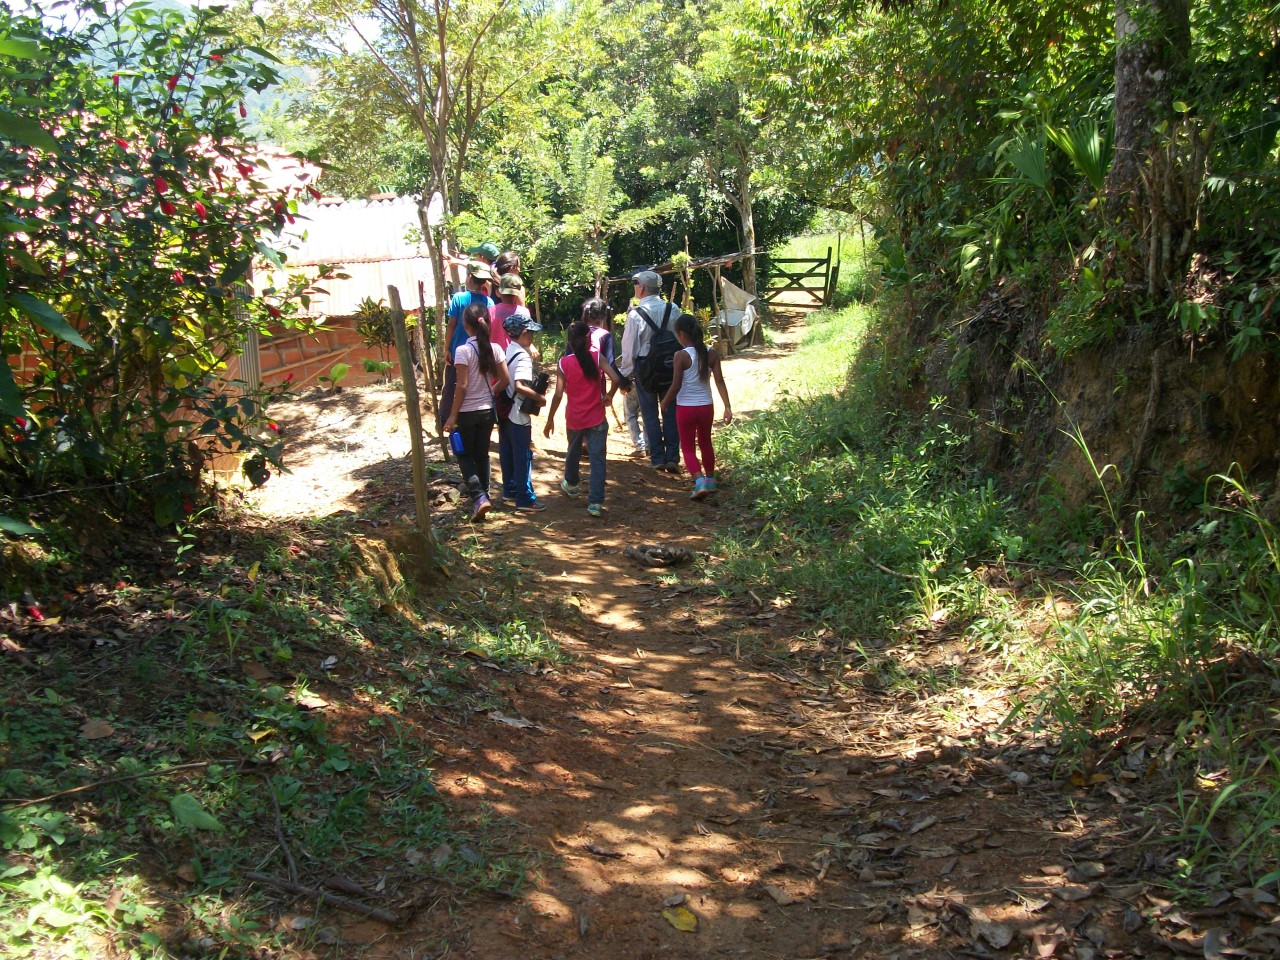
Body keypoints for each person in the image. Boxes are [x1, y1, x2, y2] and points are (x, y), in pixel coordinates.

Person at [543, 316, 627, 517]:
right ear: (589, 339)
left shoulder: (564, 363)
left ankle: (571, 484)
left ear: (570, 342)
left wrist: (550, 419)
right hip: (597, 417)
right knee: (598, 459)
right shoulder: (597, 357)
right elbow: (616, 378)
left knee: (573, 451)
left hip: (574, 418)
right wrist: (609, 396)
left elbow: (557, 394)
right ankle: (595, 503)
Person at [442, 302, 509, 521]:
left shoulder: (463, 351)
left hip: (467, 412)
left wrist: (452, 415)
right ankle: (485, 494)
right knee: (482, 454)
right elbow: (505, 379)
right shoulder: (495, 348)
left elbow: (461, 386)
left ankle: (479, 497)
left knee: (464, 456)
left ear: (465, 324)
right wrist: (491, 391)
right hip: (488, 411)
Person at [661, 314, 733, 499]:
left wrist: (665, 402)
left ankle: (699, 481)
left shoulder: (681, 356)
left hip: (685, 407)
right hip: (706, 406)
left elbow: (675, 385)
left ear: (682, 335)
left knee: (687, 447)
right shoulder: (712, 353)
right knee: (705, 442)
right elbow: (719, 380)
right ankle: (710, 480)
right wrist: (727, 406)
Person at [621, 269, 681, 472]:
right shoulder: (673, 309)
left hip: (646, 371)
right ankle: (673, 456)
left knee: (649, 414)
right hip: (670, 367)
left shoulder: (636, 315)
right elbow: (680, 338)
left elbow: (629, 349)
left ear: (642, 288)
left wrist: (626, 376)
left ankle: (657, 458)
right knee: (671, 411)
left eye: (636, 284)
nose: (635, 288)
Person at [499, 312, 546, 512]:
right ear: (524, 333)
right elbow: (520, 385)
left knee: (507, 451)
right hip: (518, 412)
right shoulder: (524, 358)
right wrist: (539, 398)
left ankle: (510, 490)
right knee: (523, 455)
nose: (532, 337)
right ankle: (525, 498)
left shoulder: (508, 350)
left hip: (505, 410)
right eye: (531, 333)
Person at [439, 263, 494, 432]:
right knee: (475, 386)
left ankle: (444, 421)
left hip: (459, 352)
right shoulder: (489, 301)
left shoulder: (459, 298)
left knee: (451, 386)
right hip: (480, 352)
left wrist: (446, 348)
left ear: (470, 277)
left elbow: (451, 325)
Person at [489, 273, 531, 351]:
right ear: (518, 293)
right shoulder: (524, 313)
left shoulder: (490, 310)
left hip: (495, 356)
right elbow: (527, 339)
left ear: (499, 292)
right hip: (516, 357)